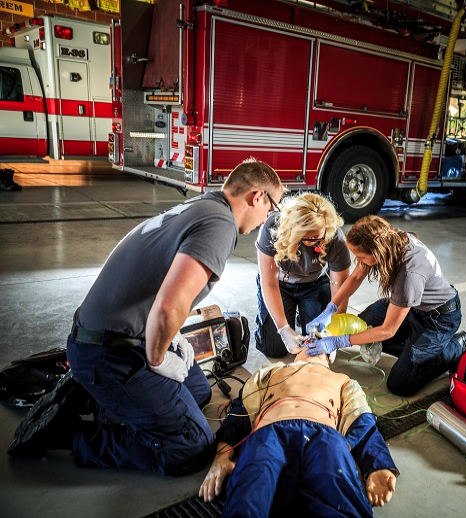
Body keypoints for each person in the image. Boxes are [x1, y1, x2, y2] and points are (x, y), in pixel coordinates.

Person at [8, 158, 284, 477]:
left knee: (197, 391)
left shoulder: (205, 204)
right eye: (272, 207)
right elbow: (168, 307)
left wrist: (173, 338)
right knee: (191, 448)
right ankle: (70, 435)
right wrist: (157, 358)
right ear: (258, 196)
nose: (268, 218)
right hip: (111, 353)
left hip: (111, 335)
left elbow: (158, 283)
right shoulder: (221, 225)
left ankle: (103, 400)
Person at [199, 347, 398, 517]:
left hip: (324, 439)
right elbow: (240, 412)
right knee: (249, 495)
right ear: (295, 352)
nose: (312, 342)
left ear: (330, 356)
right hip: (269, 434)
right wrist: (221, 457)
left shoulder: (342, 379)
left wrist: (377, 465)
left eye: (319, 341)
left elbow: (361, 419)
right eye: (306, 341)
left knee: (341, 501)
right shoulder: (272, 371)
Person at [305, 215, 466, 397]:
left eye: (361, 257)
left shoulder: (409, 274)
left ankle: (454, 347)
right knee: (365, 326)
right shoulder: (391, 239)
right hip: (411, 307)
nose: (358, 261)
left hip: (437, 320)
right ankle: (416, 350)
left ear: (377, 252)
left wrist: (339, 341)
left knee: (400, 384)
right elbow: (355, 277)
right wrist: (331, 308)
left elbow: (387, 330)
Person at [255, 193, 351, 357]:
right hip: (280, 284)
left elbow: (339, 290)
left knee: (317, 344)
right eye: (303, 237)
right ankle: (288, 317)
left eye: (315, 237)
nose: (309, 242)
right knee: (274, 349)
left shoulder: (336, 239)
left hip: (315, 284)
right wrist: (283, 329)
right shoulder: (272, 227)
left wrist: (332, 331)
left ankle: (303, 313)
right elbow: (269, 283)